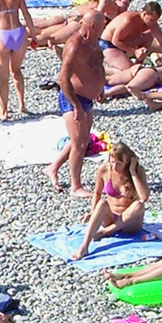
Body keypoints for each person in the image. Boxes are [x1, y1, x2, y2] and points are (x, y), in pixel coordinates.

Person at [46, 11, 105, 195]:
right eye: (102, 26)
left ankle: (53, 168)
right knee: (79, 144)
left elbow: (97, 66)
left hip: (88, 98)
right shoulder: (75, 45)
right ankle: (75, 186)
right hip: (73, 97)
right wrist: (76, 105)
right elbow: (63, 79)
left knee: (81, 139)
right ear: (93, 26)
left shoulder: (93, 41)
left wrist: (100, 87)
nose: (104, 28)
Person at [72, 143, 151, 259]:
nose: (114, 167)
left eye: (119, 164)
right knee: (102, 203)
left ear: (128, 162)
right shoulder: (104, 169)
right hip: (111, 217)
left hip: (130, 223)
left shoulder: (138, 171)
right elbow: (97, 193)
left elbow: (144, 197)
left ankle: (107, 231)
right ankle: (84, 246)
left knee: (138, 205)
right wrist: (93, 212)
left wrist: (132, 172)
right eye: (112, 162)